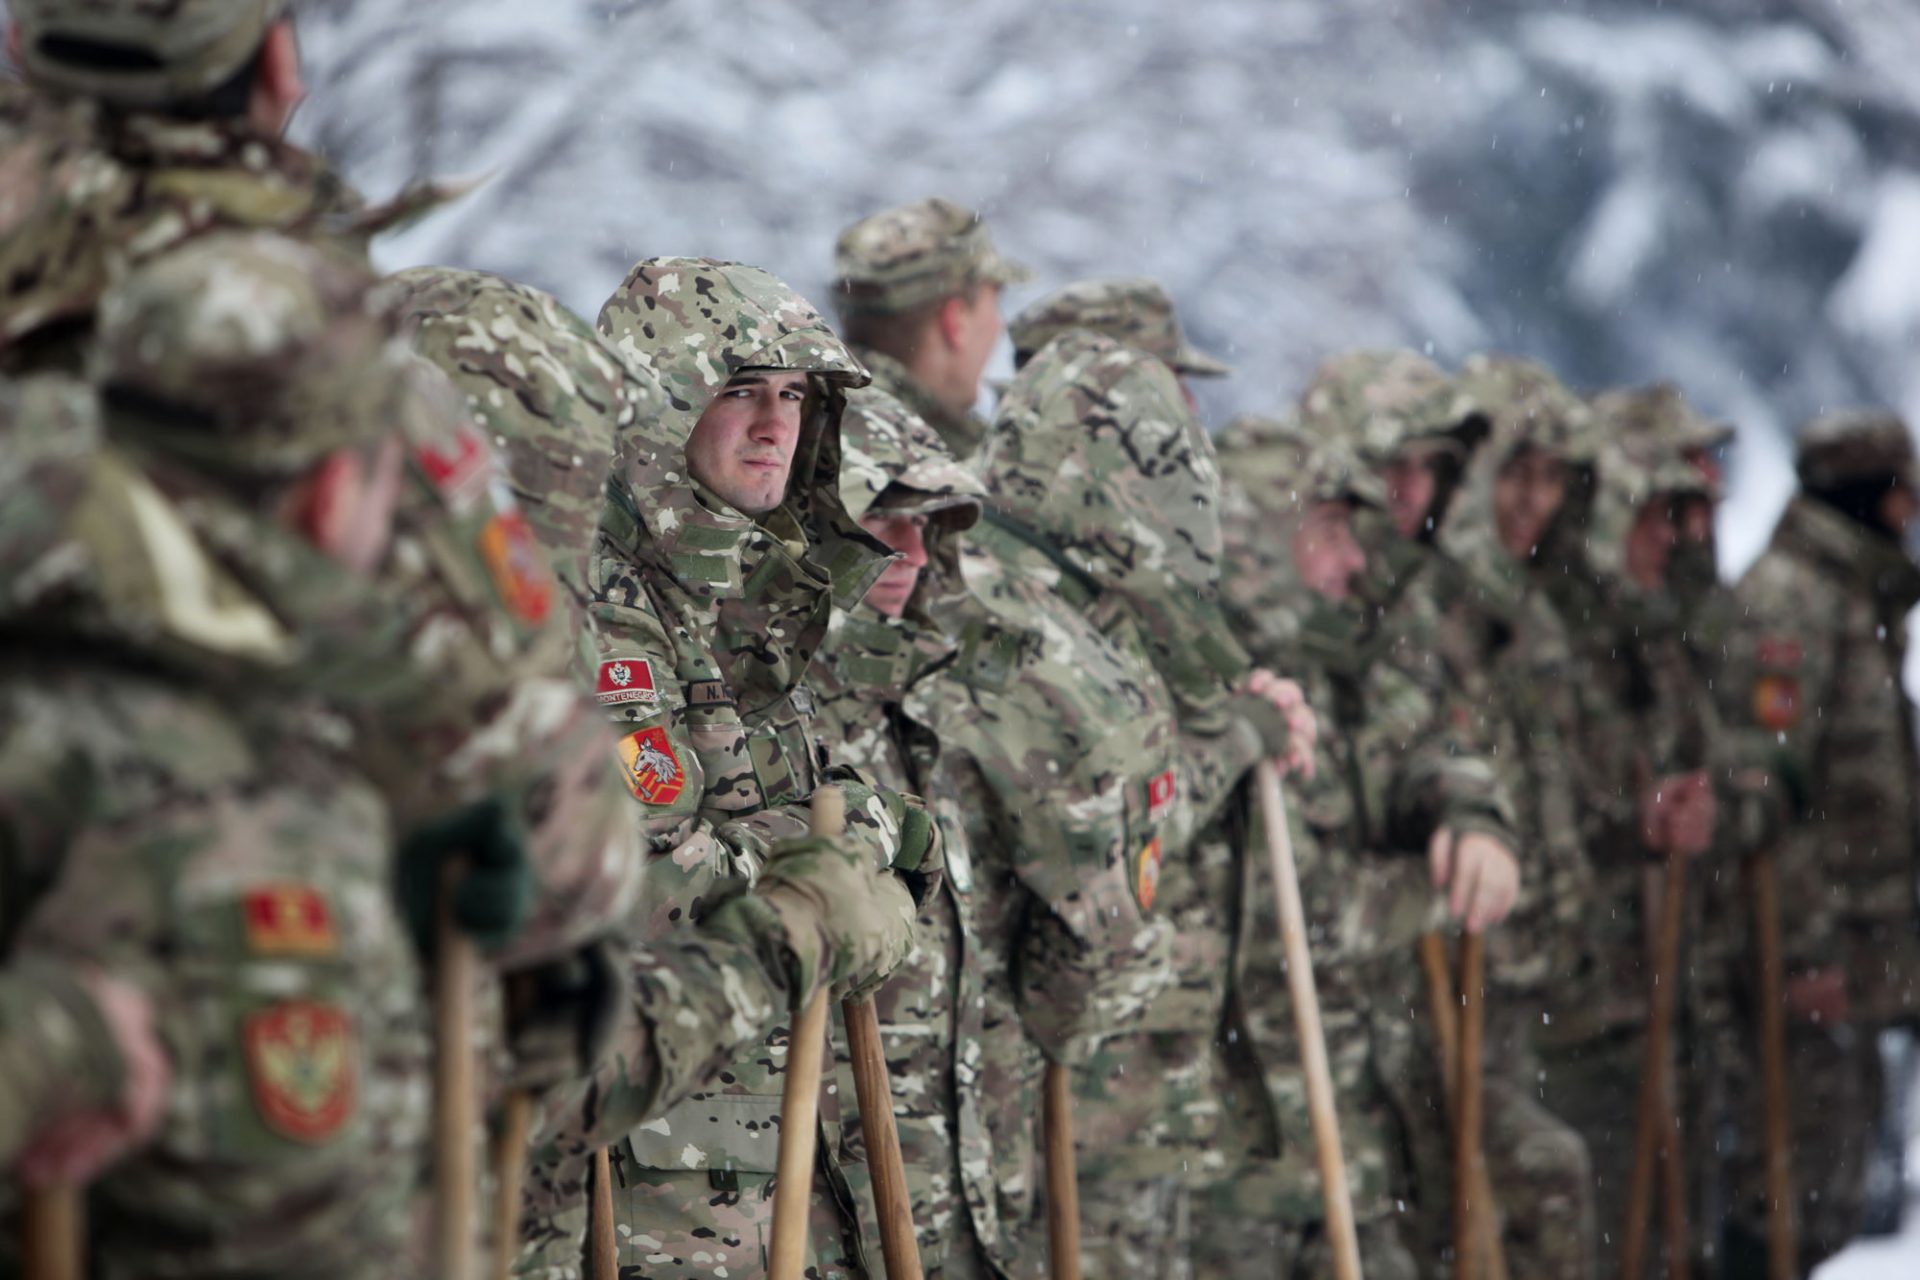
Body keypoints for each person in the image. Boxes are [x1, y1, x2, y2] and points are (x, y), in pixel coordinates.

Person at [520, 258, 933, 1278]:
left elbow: (856, 832)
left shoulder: (757, 609)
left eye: (795, 396)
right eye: (740, 389)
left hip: (792, 1170)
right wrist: (822, 854)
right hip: (646, 1191)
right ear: (662, 404)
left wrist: (870, 841)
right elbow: (627, 890)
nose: (775, 425)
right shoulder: (590, 605)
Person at [1207, 424, 1521, 1280]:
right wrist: (1436, 890)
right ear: (1266, 534)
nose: (1355, 561)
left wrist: (1470, 816)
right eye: (1333, 530)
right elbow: (1291, 913)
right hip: (1243, 1160)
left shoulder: (1329, 664)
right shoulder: (1216, 690)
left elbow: (1411, 760)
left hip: (1352, 1123)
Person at [1707, 408, 1920, 1274]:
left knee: (1836, 1187)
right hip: (1810, 968)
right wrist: (1801, 957)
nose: (1909, 513)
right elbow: (1764, 800)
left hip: (1865, 964)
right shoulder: (1790, 607)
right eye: (1900, 493)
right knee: (1786, 1191)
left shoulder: (1853, 599)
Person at [811, 387, 1001, 1276]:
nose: (914, 554)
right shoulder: (783, 706)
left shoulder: (919, 704)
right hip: (822, 1207)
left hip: (943, 1197)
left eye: (930, 526)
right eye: (884, 520)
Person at [830, 196, 1031, 458]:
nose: (998, 325)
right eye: (994, 304)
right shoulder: (918, 457)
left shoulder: (802, 411)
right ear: (955, 321)